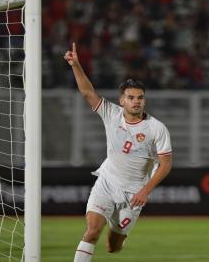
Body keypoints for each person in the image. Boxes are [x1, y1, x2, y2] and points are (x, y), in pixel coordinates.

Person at [64, 43, 173, 262]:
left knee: (113, 247)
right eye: (131, 98)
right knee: (92, 231)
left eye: (140, 97)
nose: (136, 102)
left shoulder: (156, 128)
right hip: (107, 182)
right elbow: (87, 92)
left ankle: (119, 236)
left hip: (134, 194)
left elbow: (166, 164)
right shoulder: (111, 114)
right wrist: (76, 65)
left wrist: (145, 191)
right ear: (122, 100)